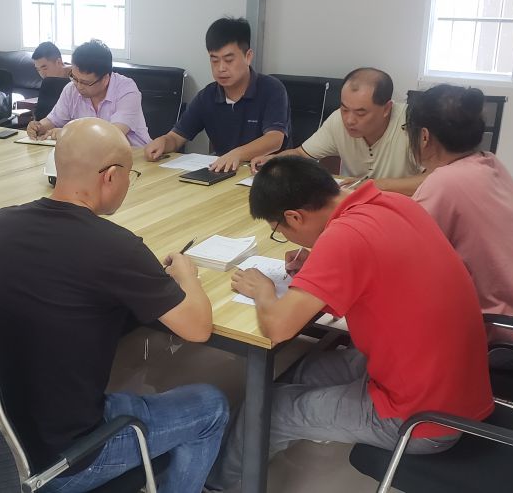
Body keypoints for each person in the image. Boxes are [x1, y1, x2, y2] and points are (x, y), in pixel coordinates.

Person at [205, 156, 494, 490]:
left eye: (279, 231)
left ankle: (215, 484)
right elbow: (373, 266)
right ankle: (259, 445)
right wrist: (318, 265)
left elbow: (279, 327)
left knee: (272, 409)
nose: (284, 237)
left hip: (424, 419)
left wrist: (264, 291)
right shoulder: (393, 204)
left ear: (294, 217)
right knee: (304, 371)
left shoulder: (344, 237)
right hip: (448, 382)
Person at [0, 118, 228, 492]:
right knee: (211, 406)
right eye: (131, 174)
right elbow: (197, 328)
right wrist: (187, 275)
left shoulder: (2, 224)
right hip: (68, 461)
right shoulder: (116, 247)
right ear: (111, 176)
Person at [407, 84, 513, 369]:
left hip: (510, 343)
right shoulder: (489, 163)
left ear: (424, 136)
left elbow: (401, 256)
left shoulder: (443, 183)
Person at [144, 18, 290, 172]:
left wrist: (237, 154)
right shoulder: (207, 97)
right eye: (214, 60)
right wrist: (163, 141)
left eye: (229, 60)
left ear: (248, 57)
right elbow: (176, 137)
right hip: (223, 172)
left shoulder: (271, 89)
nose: (221, 68)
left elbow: (274, 139)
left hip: (267, 174)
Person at [251, 68, 425, 195]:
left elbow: (436, 180)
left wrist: (376, 185)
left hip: (405, 210)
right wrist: (275, 160)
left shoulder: (414, 124)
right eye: (344, 109)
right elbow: (301, 154)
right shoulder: (337, 121)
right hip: (356, 204)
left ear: (387, 108)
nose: (349, 120)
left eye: (361, 113)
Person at [26, 40, 151, 147]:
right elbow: (53, 120)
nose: (79, 86)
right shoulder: (71, 89)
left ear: (105, 79)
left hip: (134, 155)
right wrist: (39, 127)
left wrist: (68, 133)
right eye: (74, 78)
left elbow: (113, 135)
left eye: (86, 82)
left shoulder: (127, 90)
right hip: (89, 156)